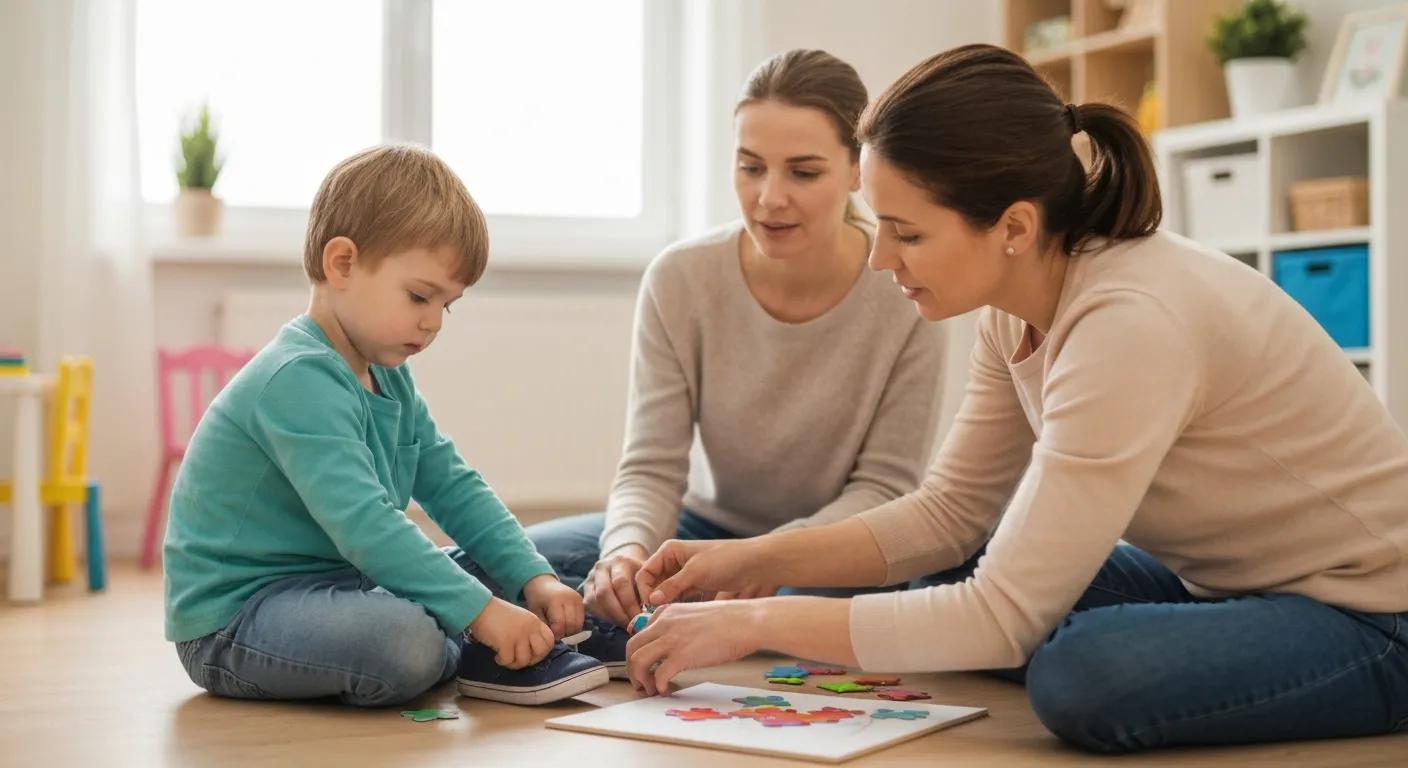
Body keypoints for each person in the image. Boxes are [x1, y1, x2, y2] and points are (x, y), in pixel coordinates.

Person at [625, 44, 1408, 753]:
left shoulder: (1130, 321)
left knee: (1081, 676)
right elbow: (948, 513)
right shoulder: (1015, 303)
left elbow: (1003, 616)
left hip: (1369, 611)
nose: (879, 260)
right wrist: (754, 561)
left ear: (1013, 226)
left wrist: (754, 619)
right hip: (1221, 586)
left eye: (906, 232)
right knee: (949, 564)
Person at [525, 49, 947, 675]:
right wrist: (625, 551)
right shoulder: (681, 278)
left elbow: (885, 487)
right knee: (512, 560)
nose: (769, 198)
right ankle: (683, 616)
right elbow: (652, 464)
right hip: (699, 532)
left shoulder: (907, 289)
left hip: (831, 551)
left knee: (896, 591)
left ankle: (691, 621)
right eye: (751, 167)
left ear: (858, 169)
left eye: (803, 172)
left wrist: (766, 560)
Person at [163, 145, 607, 707]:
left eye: (446, 306)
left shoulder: (388, 376)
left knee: (518, 573)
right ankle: (473, 646)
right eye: (420, 296)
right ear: (342, 263)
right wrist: (482, 613)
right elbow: (367, 526)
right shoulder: (296, 378)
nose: (432, 322)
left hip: (346, 585)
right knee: (406, 644)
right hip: (239, 620)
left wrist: (532, 577)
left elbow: (453, 485)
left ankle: (492, 633)